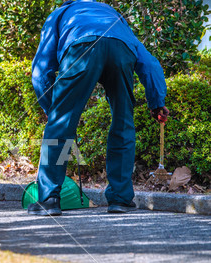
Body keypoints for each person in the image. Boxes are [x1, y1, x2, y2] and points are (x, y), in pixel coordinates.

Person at [29, 0, 169, 216]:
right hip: (120, 50)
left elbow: (40, 70)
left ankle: (49, 199)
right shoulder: (114, 16)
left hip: (81, 47)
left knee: (60, 126)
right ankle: (121, 199)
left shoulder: (59, 14)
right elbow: (149, 64)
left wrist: (52, 110)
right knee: (123, 123)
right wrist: (157, 102)